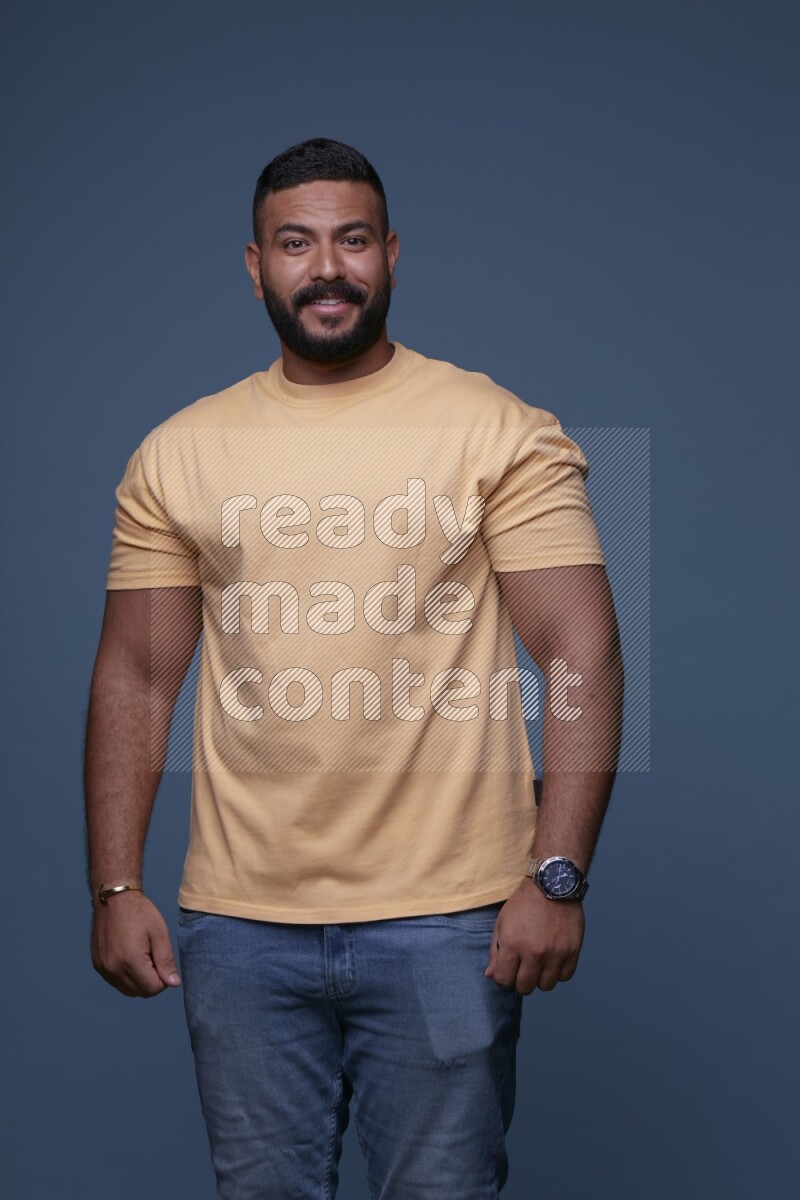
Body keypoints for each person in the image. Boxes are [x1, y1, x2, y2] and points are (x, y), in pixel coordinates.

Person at [85, 137, 623, 1199]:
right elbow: (135, 677)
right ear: (255, 265)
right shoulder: (178, 453)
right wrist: (113, 882)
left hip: (447, 918)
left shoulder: (496, 430)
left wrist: (555, 873)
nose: (325, 267)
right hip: (238, 929)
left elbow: (578, 649)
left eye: (351, 240)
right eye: (296, 243)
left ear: (390, 255)